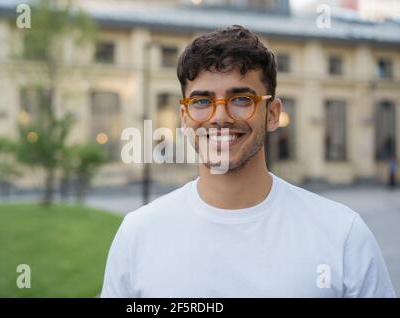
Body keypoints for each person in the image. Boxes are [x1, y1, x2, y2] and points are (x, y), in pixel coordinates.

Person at [100, 25, 396, 298]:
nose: (220, 116)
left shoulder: (343, 234)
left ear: (272, 113)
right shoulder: (137, 235)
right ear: (185, 117)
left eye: (241, 100)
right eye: (202, 102)